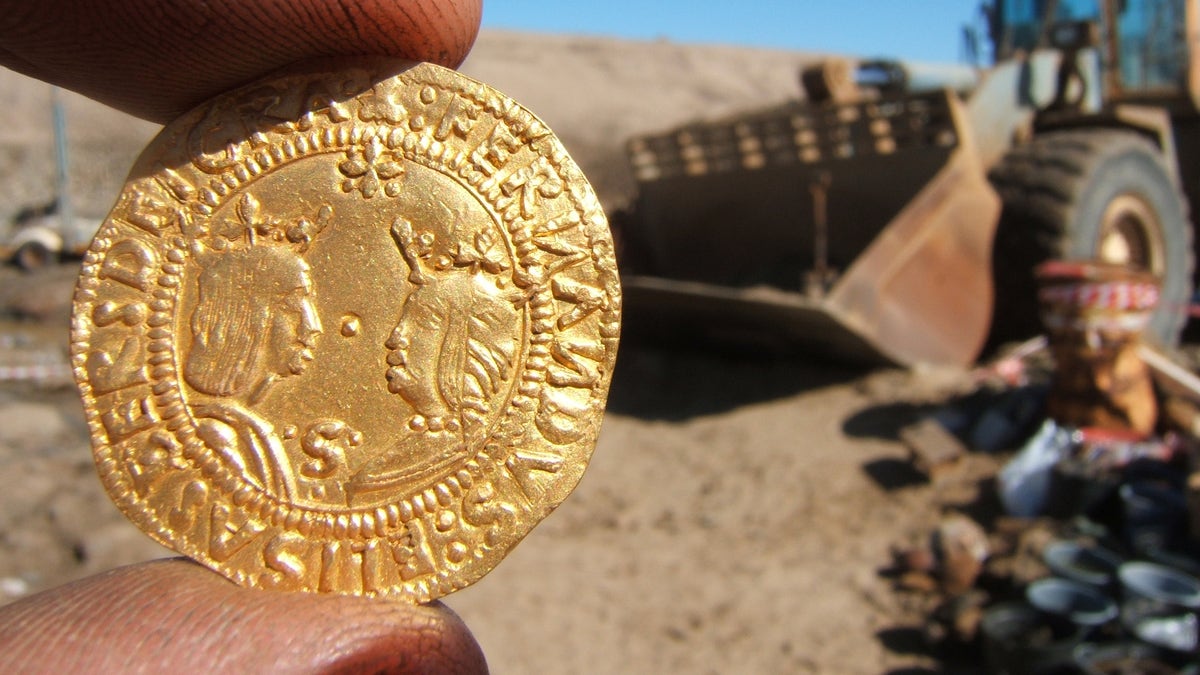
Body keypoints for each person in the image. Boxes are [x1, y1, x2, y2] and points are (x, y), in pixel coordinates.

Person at [0, 1, 489, 672]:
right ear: (248, 318)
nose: (318, 324)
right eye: (295, 302)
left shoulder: (254, 447)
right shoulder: (228, 443)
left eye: (417, 321)